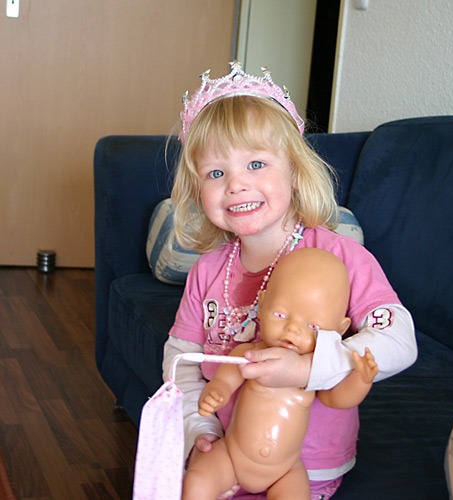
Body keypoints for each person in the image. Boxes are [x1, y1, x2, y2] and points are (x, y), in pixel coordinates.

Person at [162, 61, 417, 499]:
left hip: (308, 467)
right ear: (197, 189)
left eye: (256, 163)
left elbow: (400, 341)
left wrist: (308, 367)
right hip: (226, 455)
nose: (236, 185)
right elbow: (181, 361)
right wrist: (198, 428)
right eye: (216, 173)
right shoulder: (208, 270)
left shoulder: (341, 257)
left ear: (295, 171)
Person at [182, 248, 378, 499]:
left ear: (338, 331)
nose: (292, 329)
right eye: (280, 315)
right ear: (263, 304)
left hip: (285, 470)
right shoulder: (251, 353)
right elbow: (226, 378)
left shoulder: (316, 370)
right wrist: (217, 391)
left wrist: (360, 380)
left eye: (312, 326)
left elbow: (337, 399)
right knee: (197, 481)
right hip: (231, 454)